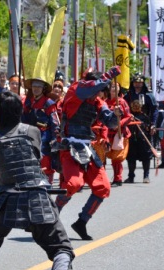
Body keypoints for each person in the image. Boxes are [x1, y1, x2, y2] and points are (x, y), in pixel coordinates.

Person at [0, 91, 88, 270]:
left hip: (9, 196)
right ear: (19, 111)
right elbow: (35, 157)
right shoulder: (32, 131)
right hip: (36, 195)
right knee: (62, 246)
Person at [54, 66, 122, 241]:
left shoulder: (97, 101)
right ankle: (52, 216)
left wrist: (116, 116)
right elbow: (91, 88)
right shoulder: (76, 90)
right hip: (69, 145)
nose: (99, 93)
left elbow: (111, 122)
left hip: (88, 147)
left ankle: (82, 221)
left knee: (103, 188)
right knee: (73, 184)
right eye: (98, 87)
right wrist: (109, 75)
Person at [22, 77, 60, 184]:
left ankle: (48, 183)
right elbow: (23, 118)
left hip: (44, 135)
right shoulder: (28, 102)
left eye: (39, 87)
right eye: (34, 86)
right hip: (29, 133)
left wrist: (54, 139)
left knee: (45, 158)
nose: (36, 89)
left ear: (43, 89)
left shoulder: (49, 103)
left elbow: (55, 123)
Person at [106, 82, 132, 186]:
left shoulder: (122, 102)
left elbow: (128, 116)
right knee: (102, 157)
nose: (114, 89)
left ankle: (118, 178)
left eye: (116, 87)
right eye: (112, 86)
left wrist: (119, 124)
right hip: (107, 134)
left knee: (117, 158)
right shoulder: (104, 102)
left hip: (119, 134)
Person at [124, 73, 158, 148]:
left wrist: (153, 124)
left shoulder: (148, 95)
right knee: (131, 148)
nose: (137, 85)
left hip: (144, 123)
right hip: (131, 123)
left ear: (142, 83)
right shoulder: (128, 95)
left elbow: (154, 110)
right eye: (135, 82)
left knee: (145, 148)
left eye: (139, 83)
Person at [125, 96, 154, 183]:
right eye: (134, 106)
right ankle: (131, 176)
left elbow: (149, 128)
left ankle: (146, 176)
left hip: (143, 140)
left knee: (146, 158)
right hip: (132, 140)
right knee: (130, 158)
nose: (136, 107)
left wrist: (151, 128)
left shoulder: (145, 117)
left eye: (138, 106)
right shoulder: (128, 116)